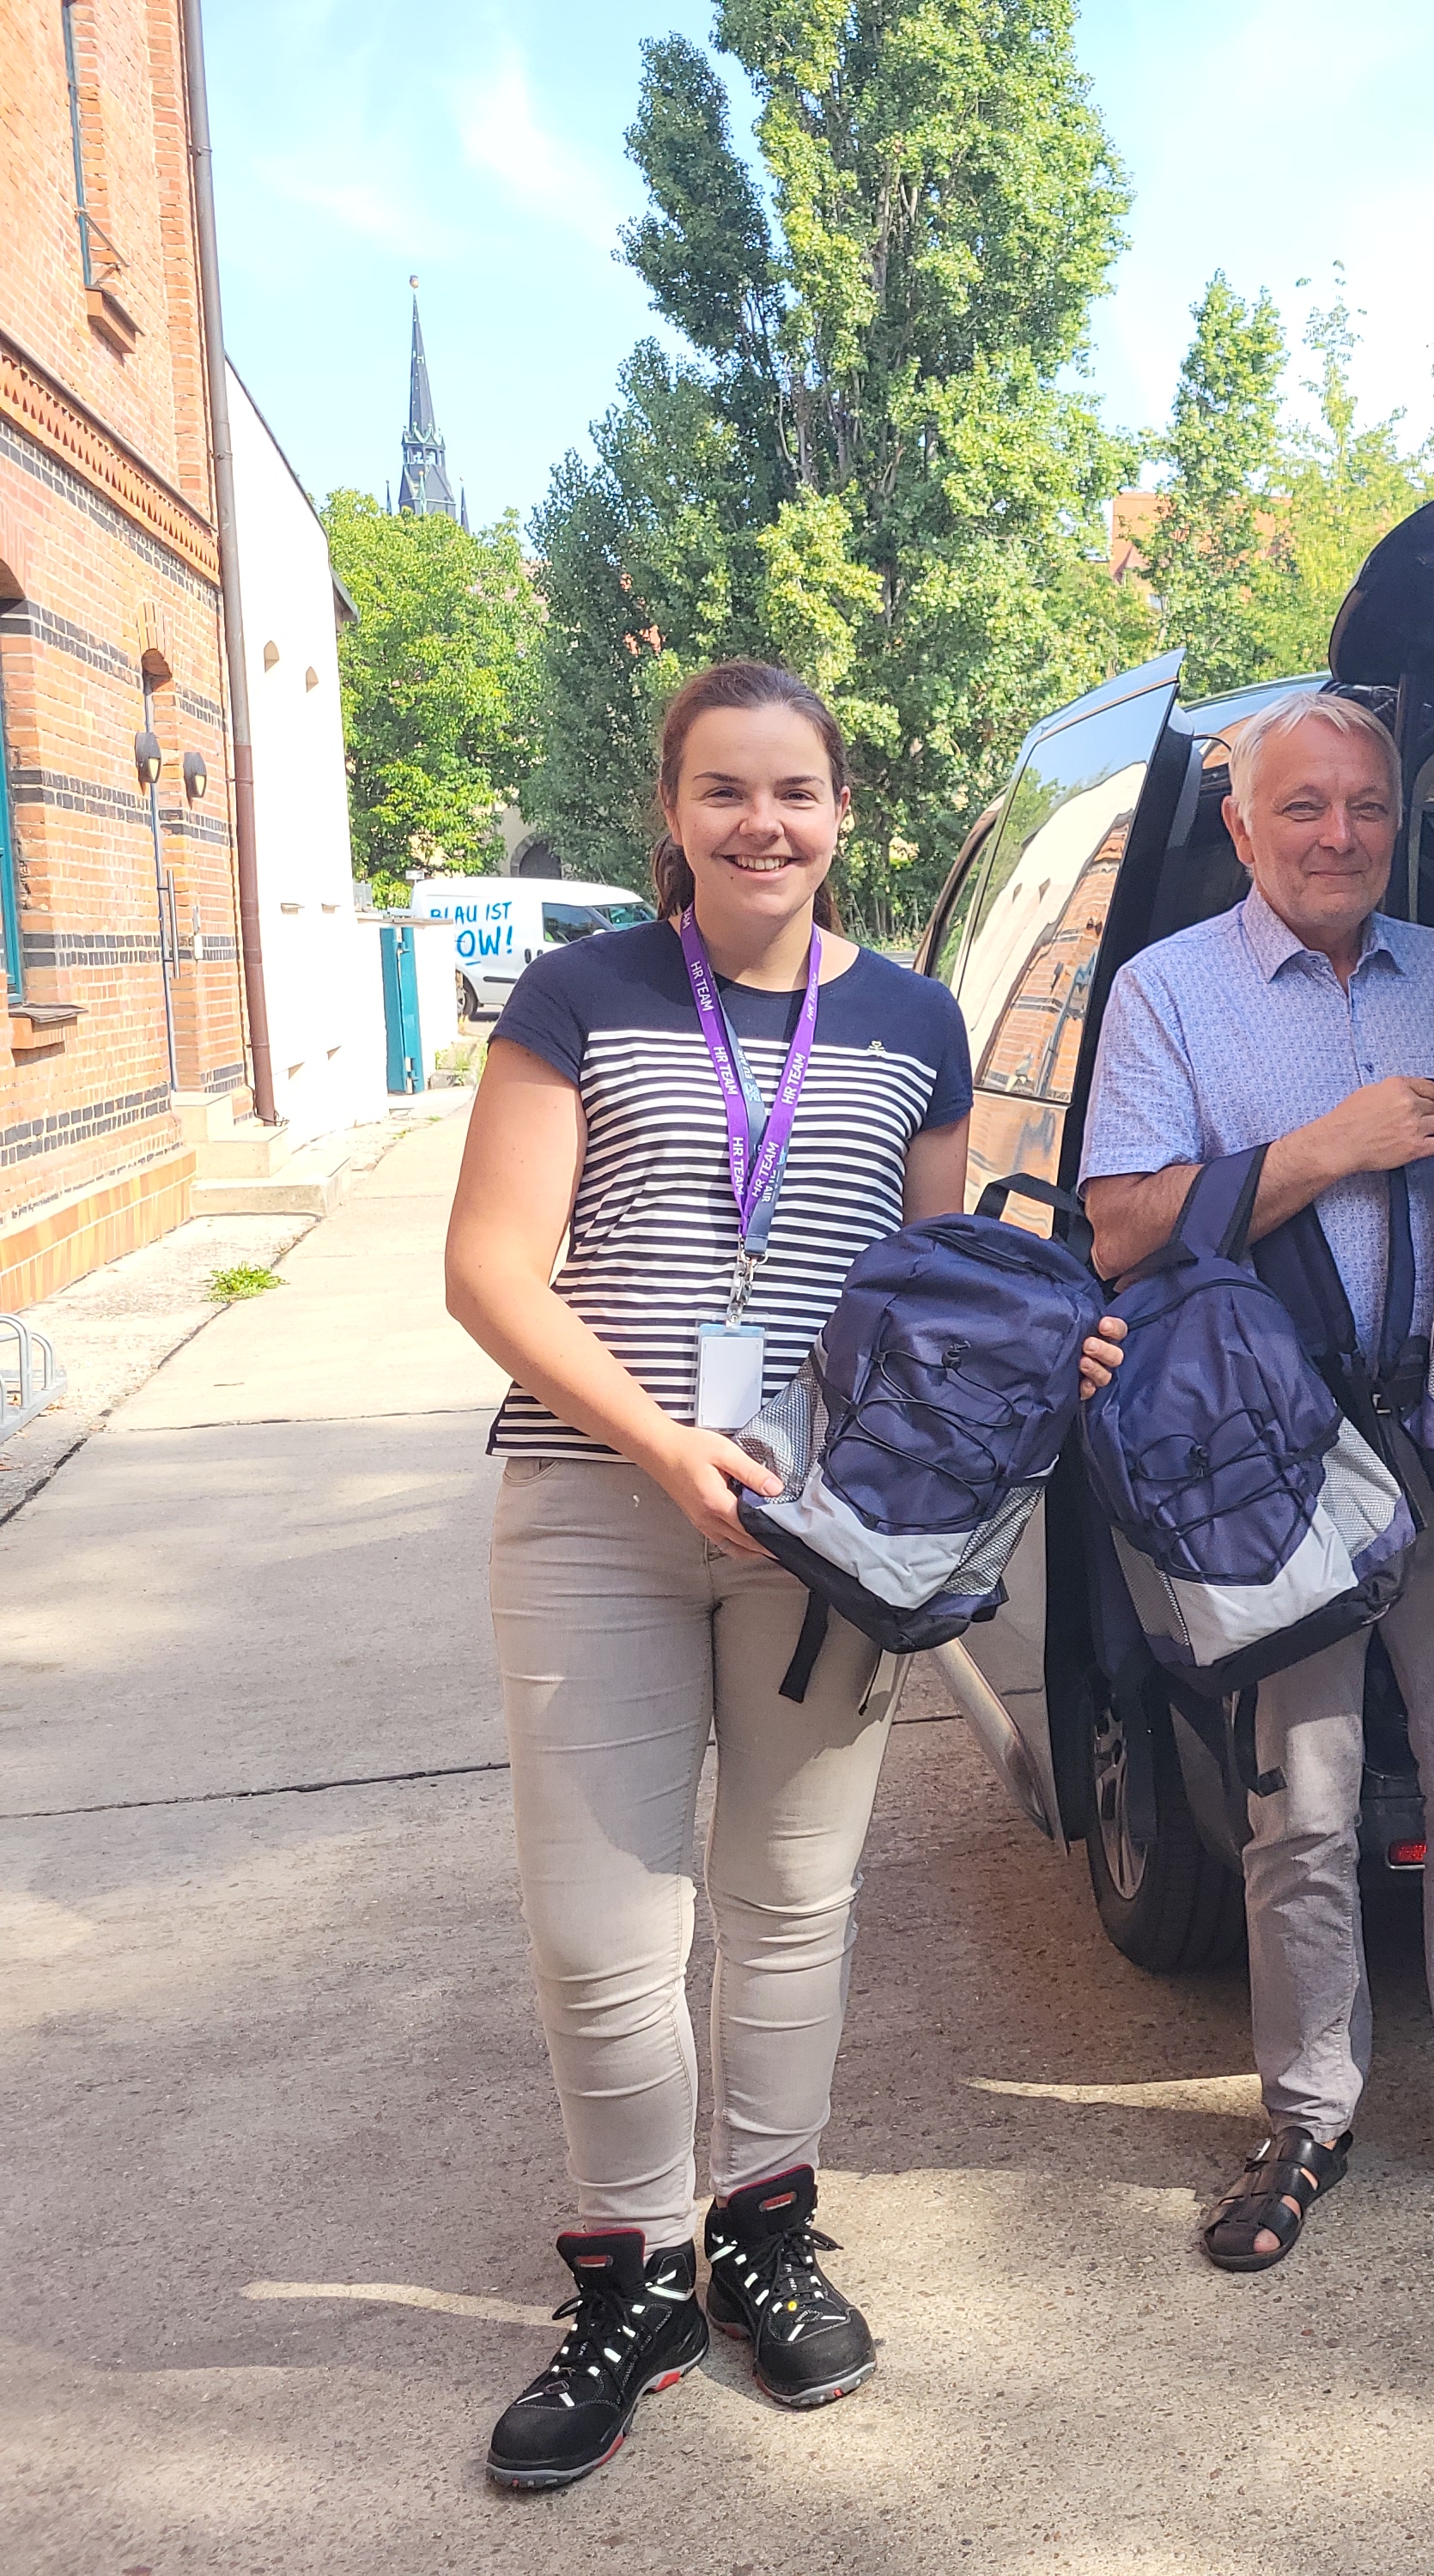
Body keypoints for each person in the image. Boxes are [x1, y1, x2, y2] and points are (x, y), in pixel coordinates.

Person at [445, 660, 1122, 2488]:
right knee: (605, 1933)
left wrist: (1032, 1349)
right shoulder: (578, 999)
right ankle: (634, 2268)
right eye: (724, 791)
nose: (763, 825)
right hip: (602, 1504)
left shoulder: (909, 1020)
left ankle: (757, 2232)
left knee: (790, 1908)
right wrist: (665, 1443)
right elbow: (492, 1274)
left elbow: (934, 1292)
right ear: (668, 813)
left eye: (796, 793)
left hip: (830, 1532)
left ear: (840, 817)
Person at [1078, 691, 1434, 2272]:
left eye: (1369, 807)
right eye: (1305, 807)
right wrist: (1323, 1148)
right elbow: (1120, 1227)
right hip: (1280, 1461)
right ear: (1245, 829)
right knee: (1302, 1818)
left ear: (1402, 823)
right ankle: (1308, 2118)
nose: (1341, 836)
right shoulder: (1166, 993)